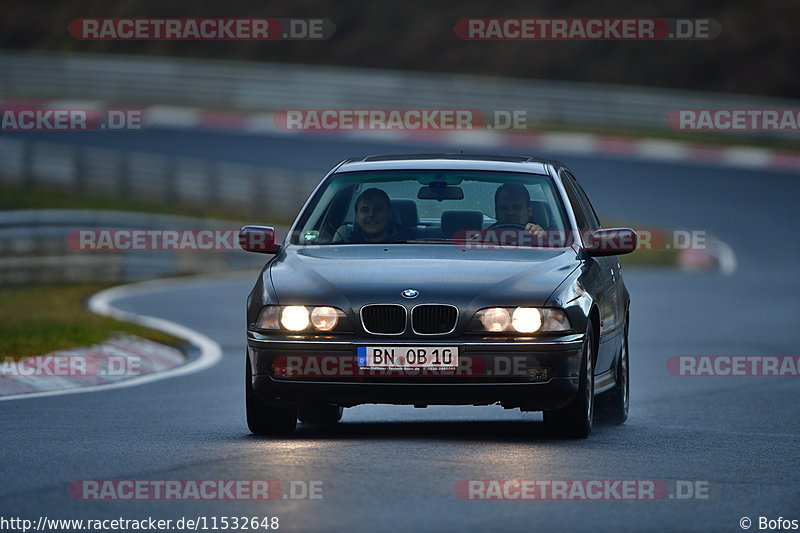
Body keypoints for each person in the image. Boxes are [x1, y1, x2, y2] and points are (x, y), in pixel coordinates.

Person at [333, 188, 403, 243]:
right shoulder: (343, 248)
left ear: (389, 214)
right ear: (356, 217)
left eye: (377, 209)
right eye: (365, 210)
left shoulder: (411, 242)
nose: (371, 214)